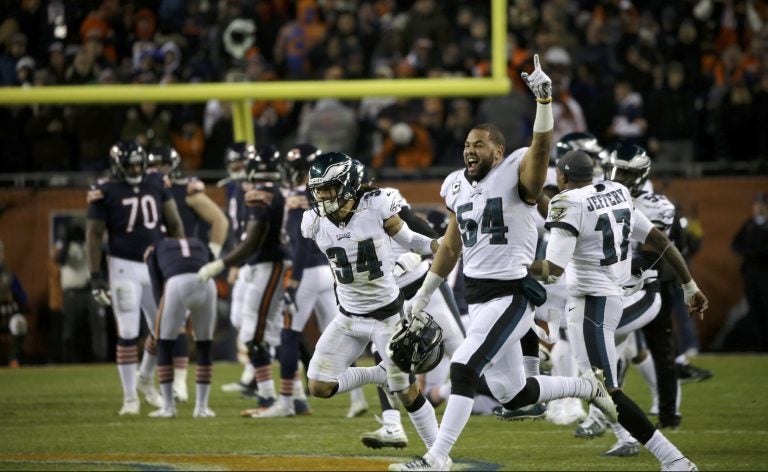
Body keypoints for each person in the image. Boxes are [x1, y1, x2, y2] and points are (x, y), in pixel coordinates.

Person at [390, 55, 617, 472]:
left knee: (463, 368)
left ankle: (436, 458)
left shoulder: (516, 173)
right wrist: (422, 296)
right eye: (465, 145)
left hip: (510, 292)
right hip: (476, 296)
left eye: (478, 145)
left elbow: (542, 150)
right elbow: (451, 245)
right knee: (511, 391)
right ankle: (586, 386)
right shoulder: (455, 185)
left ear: (498, 150)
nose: (469, 150)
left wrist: (544, 102)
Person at [531, 149, 707, 471]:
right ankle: (540, 394)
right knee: (596, 385)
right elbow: (661, 240)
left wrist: (512, 267)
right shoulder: (617, 193)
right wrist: (690, 285)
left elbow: (552, 269)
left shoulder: (567, 203)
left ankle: (674, 459)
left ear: (562, 176)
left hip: (592, 304)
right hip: (605, 296)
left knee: (604, 391)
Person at [300, 151, 442, 453]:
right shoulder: (312, 221)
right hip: (348, 318)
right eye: (319, 189)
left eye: (330, 188)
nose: (323, 196)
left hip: (387, 317)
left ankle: (438, 455)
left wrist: (436, 246)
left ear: (349, 184)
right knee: (318, 386)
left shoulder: (376, 206)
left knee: (407, 392)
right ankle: (379, 374)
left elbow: (411, 239)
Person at [86, 140, 185, 415]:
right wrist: (95, 275)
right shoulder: (104, 189)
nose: (134, 169)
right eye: (129, 165)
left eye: (138, 164)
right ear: (117, 166)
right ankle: (130, 398)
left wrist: (181, 259)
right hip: (123, 267)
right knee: (128, 331)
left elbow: (174, 223)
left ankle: (145, 378)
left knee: (163, 329)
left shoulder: (155, 181)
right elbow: (94, 235)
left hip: (154, 263)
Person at [197, 145, 288, 414]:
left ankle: (273, 397)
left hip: (270, 264)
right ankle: (273, 396)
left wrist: (222, 264)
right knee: (258, 331)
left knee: (261, 333)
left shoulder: (262, 194)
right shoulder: (277, 191)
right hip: (267, 264)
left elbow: (253, 241)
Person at [251, 142, 333, 418]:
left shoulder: (300, 199)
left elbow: (299, 245)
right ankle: (371, 394)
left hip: (305, 270)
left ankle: (286, 401)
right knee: (346, 333)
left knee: (288, 335)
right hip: (327, 269)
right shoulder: (321, 195)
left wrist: (293, 281)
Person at [147, 145, 229, 402]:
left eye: (163, 165)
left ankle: (178, 383)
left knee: (177, 324)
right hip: (154, 260)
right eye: (154, 166)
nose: (158, 170)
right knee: (161, 324)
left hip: (183, 265)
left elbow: (220, 220)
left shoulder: (186, 190)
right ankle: (146, 377)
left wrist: (213, 253)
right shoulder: (143, 190)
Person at [144, 236, 218, 418]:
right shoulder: (199, 241)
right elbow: (213, 265)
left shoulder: (155, 248)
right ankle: (202, 408)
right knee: (204, 345)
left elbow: (156, 286)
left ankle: (168, 407)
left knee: (164, 344)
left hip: (176, 284)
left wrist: (163, 317)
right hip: (207, 284)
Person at [55, 219, 107, 363]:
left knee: (98, 326)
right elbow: (60, 259)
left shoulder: (88, 244)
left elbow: (101, 255)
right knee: (70, 329)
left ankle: (100, 359)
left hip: (90, 291)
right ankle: (68, 360)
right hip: (71, 293)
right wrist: (67, 241)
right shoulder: (64, 246)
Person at [732, 191, 768, 351]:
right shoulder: (750, 224)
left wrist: (754, 252)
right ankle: (760, 345)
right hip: (750, 274)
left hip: (765, 273)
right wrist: (747, 252)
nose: (758, 208)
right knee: (755, 309)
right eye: (756, 204)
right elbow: (735, 244)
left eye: (761, 205)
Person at [0, 240, 28, 368]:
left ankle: (14, 360)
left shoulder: (9, 275)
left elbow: (23, 297)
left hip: (8, 312)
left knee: (19, 322)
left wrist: (15, 297)